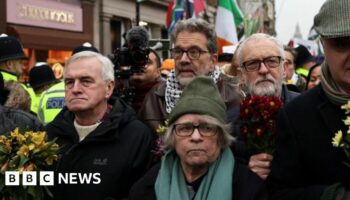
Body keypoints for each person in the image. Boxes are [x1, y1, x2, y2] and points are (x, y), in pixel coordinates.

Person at [129, 76, 268, 200]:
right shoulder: (147, 186)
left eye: (206, 128)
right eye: (185, 128)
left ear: (221, 136)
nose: (195, 137)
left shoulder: (248, 187)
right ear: (172, 137)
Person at [267, 0, 350, 199]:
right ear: (323, 44)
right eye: (341, 44)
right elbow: (280, 193)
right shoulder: (297, 116)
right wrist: (332, 196)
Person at [45, 51, 153, 200]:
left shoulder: (136, 136)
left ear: (108, 88)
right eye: (69, 82)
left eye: (86, 81)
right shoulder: (49, 134)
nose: (75, 89)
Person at [139, 18, 242, 133]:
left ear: (212, 61)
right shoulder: (154, 98)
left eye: (194, 52)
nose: (184, 60)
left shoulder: (232, 98)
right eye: (178, 51)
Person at [232, 33, 299, 180]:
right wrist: (246, 173)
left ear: (284, 69)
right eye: (252, 64)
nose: (263, 70)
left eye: (271, 61)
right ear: (242, 75)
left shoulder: (306, 110)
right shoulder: (229, 121)